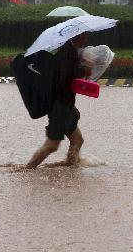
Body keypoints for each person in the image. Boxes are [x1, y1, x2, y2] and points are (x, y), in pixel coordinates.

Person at [23, 33, 91, 169]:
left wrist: (71, 107)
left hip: (65, 104)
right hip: (59, 106)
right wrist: (84, 70)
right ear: (75, 36)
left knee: (77, 140)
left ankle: (70, 168)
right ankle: (27, 169)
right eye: (83, 37)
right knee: (52, 145)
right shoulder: (66, 51)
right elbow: (65, 77)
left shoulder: (69, 50)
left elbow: (65, 77)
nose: (85, 40)